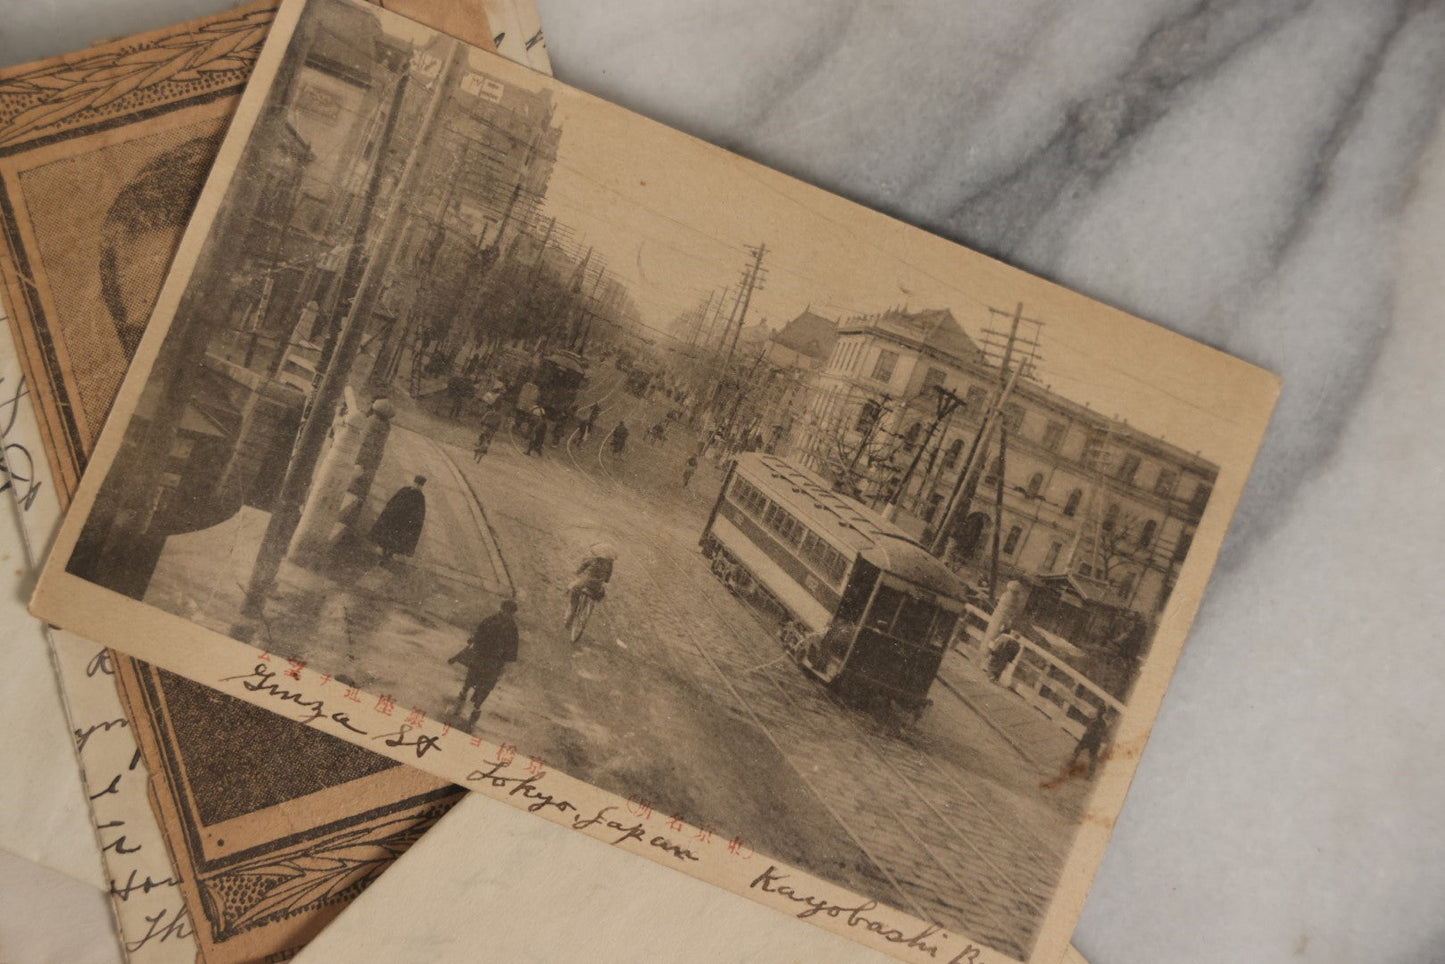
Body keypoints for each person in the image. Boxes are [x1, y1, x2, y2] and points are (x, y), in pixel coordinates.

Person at [448, 599, 520, 724]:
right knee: (480, 682)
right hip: (490, 660)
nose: (506, 614)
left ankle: (473, 704)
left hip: (487, 659)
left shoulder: (492, 620)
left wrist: (473, 642)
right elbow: (511, 650)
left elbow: (478, 634)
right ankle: (470, 701)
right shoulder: (511, 627)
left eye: (508, 612)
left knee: (478, 681)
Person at [369, 476, 427, 561]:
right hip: (395, 517)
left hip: (405, 522)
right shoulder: (404, 490)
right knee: (388, 533)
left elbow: (420, 513)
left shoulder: (420, 497)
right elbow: (393, 500)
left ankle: (391, 553)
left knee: (398, 538)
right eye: (416, 484)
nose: (417, 486)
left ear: (421, 486)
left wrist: (412, 521)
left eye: (419, 485)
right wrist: (389, 511)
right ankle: (383, 549)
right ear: (413, 482)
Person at [566, 544, 616, 629]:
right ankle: (584, 611)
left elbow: (582, 568)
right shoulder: (609, 564)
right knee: (596, 596)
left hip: (585, 583)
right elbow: (607, 579)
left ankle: (570, 617)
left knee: (573, 591)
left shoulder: (593, 559)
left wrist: (577, 572)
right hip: (597, 588)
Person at [1068, 705, 1114, 778]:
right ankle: (1090, 772)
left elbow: (1091, 731)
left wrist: (1086, 737)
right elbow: (1101, 733)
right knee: (1090, 755)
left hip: (1091, 739)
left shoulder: (1097, 722)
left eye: (1099, 711)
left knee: (1084, 752)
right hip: (1094, 740)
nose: (1098, 712)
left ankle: (1074, 764)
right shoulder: (1101, 722)